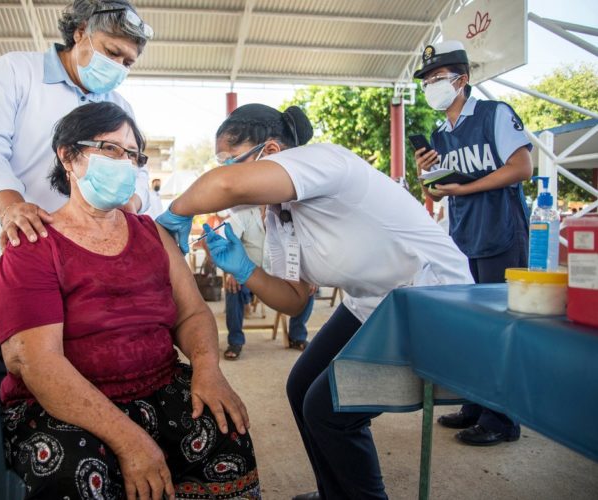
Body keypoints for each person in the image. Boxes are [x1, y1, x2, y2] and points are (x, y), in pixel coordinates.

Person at [156, 103, 473, 499]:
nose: (224, 172)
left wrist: (173, 213)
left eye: (229, 162)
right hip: (372, 303)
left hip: (429, 297)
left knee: (329, 409)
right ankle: (333, 492)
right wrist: (243, 270)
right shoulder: (279, 215)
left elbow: (224, 186)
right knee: (301, 385)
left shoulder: (322, 160)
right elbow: (293, 301)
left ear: (270, 153)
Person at [0, 102, 260, 499]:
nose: (124, 162)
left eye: (132, 154)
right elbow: (37, 363)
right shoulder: (34, 245)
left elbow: (192, 313)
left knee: (225, 429)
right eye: (110, 148)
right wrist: (130, 440)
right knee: (77, 473)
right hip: (66, 405)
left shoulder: (152, 233)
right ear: (68, 155)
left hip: (159, 385)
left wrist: (207, 367)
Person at [0, 0, 153, 283]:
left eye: (128, 63)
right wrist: (12, 208)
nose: (119, 67)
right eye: (112, 52)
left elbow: (139, 170)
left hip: (81, 267)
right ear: (81, 31)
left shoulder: (119, 107)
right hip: (2, 255)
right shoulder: (16, 72)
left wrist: (132, 201)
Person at [414, 40, 533, 447]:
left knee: (499, 328)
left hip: (501, 231)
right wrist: (424, 174)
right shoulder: (439, 133)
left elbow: (522, 167)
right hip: (463, 236)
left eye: (438, 78)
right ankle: (475, 404)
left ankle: (502, 420)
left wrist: (467, 190)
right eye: (427, 80)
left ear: (462, 80)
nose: (432, 85)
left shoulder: (493, 114)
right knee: (472, 326)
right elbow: (437, 194)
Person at [222, 206, 313, 360]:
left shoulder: (292, 213)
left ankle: (297, 336)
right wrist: (233, 271)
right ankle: (235, 341)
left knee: (309, 288)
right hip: (250, 275)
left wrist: (310, 277)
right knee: (233, 287)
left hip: (282, 277)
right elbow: (229, 242)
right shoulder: (245, 214)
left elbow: (304, 248)